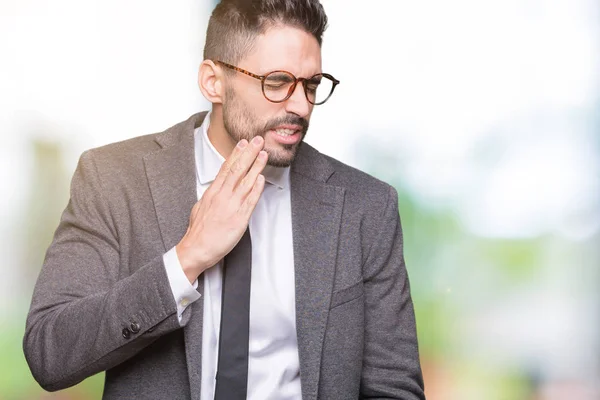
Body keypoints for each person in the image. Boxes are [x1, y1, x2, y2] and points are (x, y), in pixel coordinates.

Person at [23, 0, 425, 399]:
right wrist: (186, 259)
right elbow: (49, 354)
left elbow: (395, 388)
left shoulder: (365, 208)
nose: (301, 105)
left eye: (312, 85)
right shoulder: (114, 179)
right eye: (277, 82)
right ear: (213, 82)